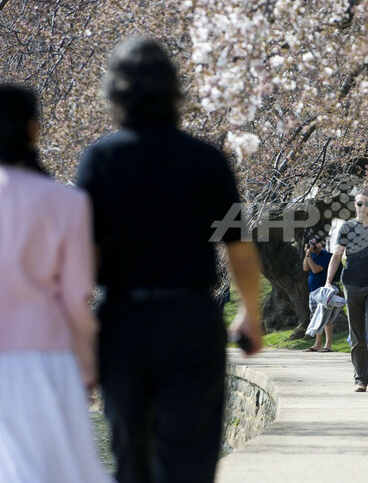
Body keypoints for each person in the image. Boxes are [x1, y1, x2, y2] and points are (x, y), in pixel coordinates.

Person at [76, 38, 262, 483]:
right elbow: (238, 245)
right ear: (174, 92)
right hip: (191, 322)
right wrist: (249, 313)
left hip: (122, 322)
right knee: (191, 456)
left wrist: (80, 337)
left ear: (115, 93)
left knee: (131, 455)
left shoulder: (100, 160)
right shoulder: (207, 161)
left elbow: (85, 256)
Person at [0, 85, 112, 482]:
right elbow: (75, 296)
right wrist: (89, 363)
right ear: (33, 130)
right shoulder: (65, 203)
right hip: (47, 355)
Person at [325, 188, 368, 392]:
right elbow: (337, 256)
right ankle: (360, 379)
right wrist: (329, 281)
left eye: (366, 203)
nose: (362, 206)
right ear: (355, 205)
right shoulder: (346, 228)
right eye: (359, 203)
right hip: (352, 284)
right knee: (356, 333)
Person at [303, 236, 335, 352]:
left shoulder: (326, 255)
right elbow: (306, 268)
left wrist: (308, 255)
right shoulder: (311, 255)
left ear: (321, 244)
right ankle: (317, 344)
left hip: (324, 290)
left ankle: (328, 345)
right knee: (316, 317)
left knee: (326, 317)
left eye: (315, 244)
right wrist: (307, 253)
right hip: (313, 291)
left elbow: (316, 269)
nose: (314, 246)